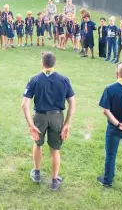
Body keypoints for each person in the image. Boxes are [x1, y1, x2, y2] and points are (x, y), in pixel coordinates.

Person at [21, 52, 76, 191]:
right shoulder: (64, 80)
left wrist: (31, 125)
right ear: (54, 63)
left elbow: (24, 105)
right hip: (57, 117)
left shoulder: (34, 79)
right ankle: (54, 180)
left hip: (40, 117)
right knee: (55, 149)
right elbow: (72, 104)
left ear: (42, 63)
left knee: (38, 144)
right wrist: (67, 123)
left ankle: (37, 173)